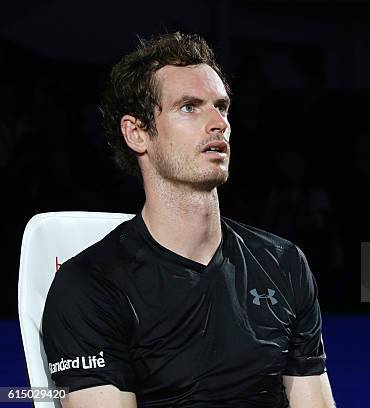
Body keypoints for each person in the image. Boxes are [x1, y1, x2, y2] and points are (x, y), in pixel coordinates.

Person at [42, 32, 335, 408]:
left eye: (222, 106)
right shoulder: (88, 288)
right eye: (189, 107)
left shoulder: (283, 264)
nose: (218, 123)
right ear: (137, 133)